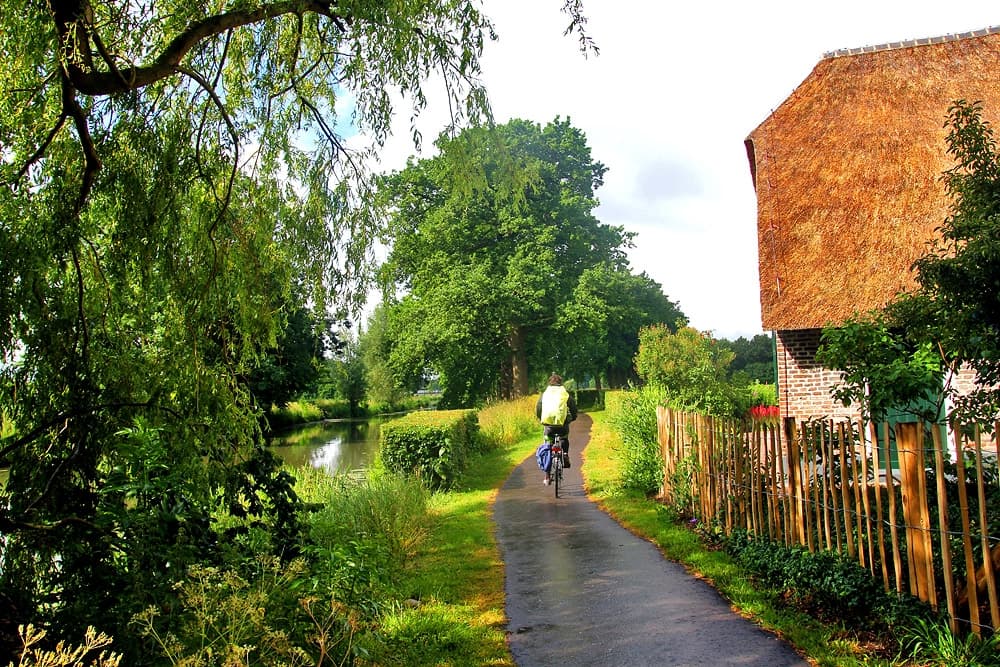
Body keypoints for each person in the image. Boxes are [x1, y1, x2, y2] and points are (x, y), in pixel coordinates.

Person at [535, 373, 577, 485]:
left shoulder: (545, 395)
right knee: (564, 438)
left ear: (550, 383)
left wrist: (541, 418)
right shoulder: (565, 394)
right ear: (560, 383)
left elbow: (539, 408)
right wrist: (573, 418)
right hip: (562, 425)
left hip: (548, 426)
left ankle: (547, 476)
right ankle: (565, 454)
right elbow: (573, 407)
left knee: (547, 446)